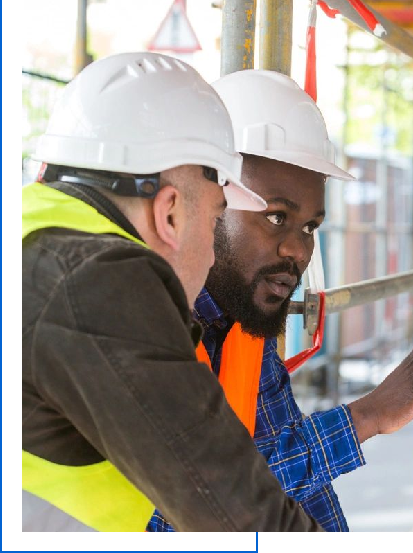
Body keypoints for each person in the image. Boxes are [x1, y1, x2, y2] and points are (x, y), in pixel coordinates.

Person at [147, 69, 413, 532]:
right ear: (208, 201)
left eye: (309, 227)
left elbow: (289, 491)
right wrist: (368, 415)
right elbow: (181, 509)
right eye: (276, 217)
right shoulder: (144, 322)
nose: (298, 250)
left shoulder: (241, 322)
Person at [22, 52, 331, 532]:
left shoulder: (36, 238)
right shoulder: (100, 288)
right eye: (214, 222)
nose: (211, 257)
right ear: (169, 213)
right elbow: (239, 514)